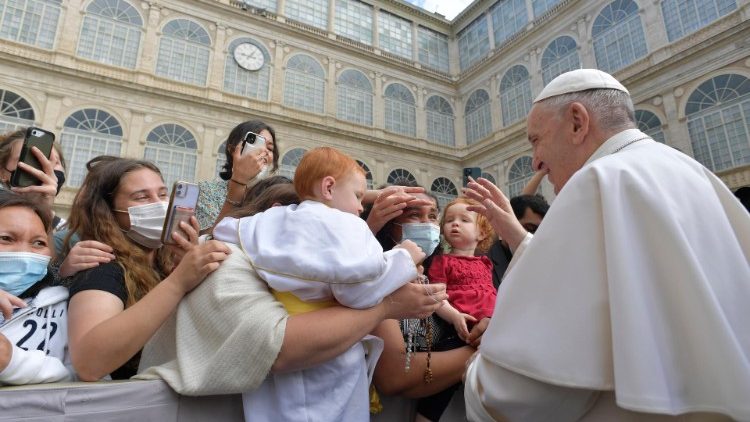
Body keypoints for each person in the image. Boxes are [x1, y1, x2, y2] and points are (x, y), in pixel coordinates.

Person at [463, 69, 750, 420]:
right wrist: (516, 236)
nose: (536, 161)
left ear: (577, 122)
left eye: (536, 140)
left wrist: (475, 374)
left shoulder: (597, 182)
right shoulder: (690, 171)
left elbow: (528, 393)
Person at [135, 171, 447, 410]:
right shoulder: (224, 259)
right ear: (279, 213)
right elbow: (280, 347)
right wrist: (386, 307)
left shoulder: (272, 256)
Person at [211, 146, 425, 421]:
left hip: (278, 351)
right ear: (328, 187)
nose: (361, 207)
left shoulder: (273, 218)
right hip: (328, 350)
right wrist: (404, 259)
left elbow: (225, 229)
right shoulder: (349, 227)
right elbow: (357, 294)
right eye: (358, 196)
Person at [65, 156, 231, 381]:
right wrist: (178, 282)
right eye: (142, 197)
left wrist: (186, 271)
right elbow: (89, 363)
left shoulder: (171, 263)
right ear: (109, 211)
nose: (158, 204)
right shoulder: (103, 268)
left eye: (163, 194)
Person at [366, 185, 479, 405]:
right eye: (415, 215)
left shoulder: (436, 275)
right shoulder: (378, 275)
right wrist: (482, 351)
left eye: (433, 216)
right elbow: (393, 376)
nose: (427, 224)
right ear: (390, 225)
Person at [413, 197, 495, 422]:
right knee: (439, 390)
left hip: (487, 332)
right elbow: (437, 296)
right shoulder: (442, 262)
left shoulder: (486, 263)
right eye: (449, 220)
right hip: (456, 331)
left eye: (464, 220)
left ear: (482, 233)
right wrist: (455, 315)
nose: (455, 224)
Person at [0, 190, 73, 385]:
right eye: (6, 238)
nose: (24, 252)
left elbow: (82, 380)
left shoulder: (68, 309)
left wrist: (12, 362)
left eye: (38, 243)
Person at [195, 120, 277, 234]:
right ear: (233, 150)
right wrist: (240, 181)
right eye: (257, 144)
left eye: (270, 148)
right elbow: (205, 240)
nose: (264, 151)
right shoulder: (207, 191)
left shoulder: (275, 198)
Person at [0, 128, 67, 230]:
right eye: (31, 159)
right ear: (2, 172)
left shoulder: (68, 234)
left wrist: (44, 206)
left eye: (54, 162)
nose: (45, 168)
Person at [487, 194, 549, 288]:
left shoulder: (547, 262)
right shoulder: (483, 262)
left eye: (541, 231)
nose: (534, 237)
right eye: (530, 228)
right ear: (507, 223)